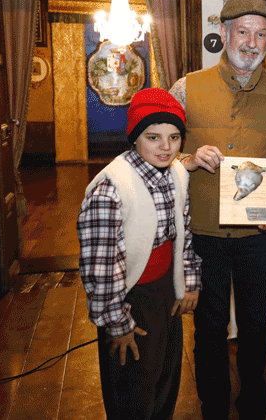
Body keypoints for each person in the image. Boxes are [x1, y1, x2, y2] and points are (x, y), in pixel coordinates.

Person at [168, 0, 266, 420]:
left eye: (260, 34)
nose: (251, 42)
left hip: (258, 238)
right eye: (242, 31)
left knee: (256, 328)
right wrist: (186, 161)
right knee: (208, 330)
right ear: (224, 34)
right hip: (202, 234)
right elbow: (154, 156)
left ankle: (253, 401)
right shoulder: (186, 88)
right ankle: (212, 406)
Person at [77, 87, 201, 420]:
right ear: (135, 137)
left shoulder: (175, 172)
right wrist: (117, 324)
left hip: (164, 291)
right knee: (134, 385)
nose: (166, 147)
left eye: (174, 137)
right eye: (153, 137)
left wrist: (187, 281)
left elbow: (183, 233)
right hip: (131, 297)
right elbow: (101, 267)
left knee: (164, 376)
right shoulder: (110, 187)